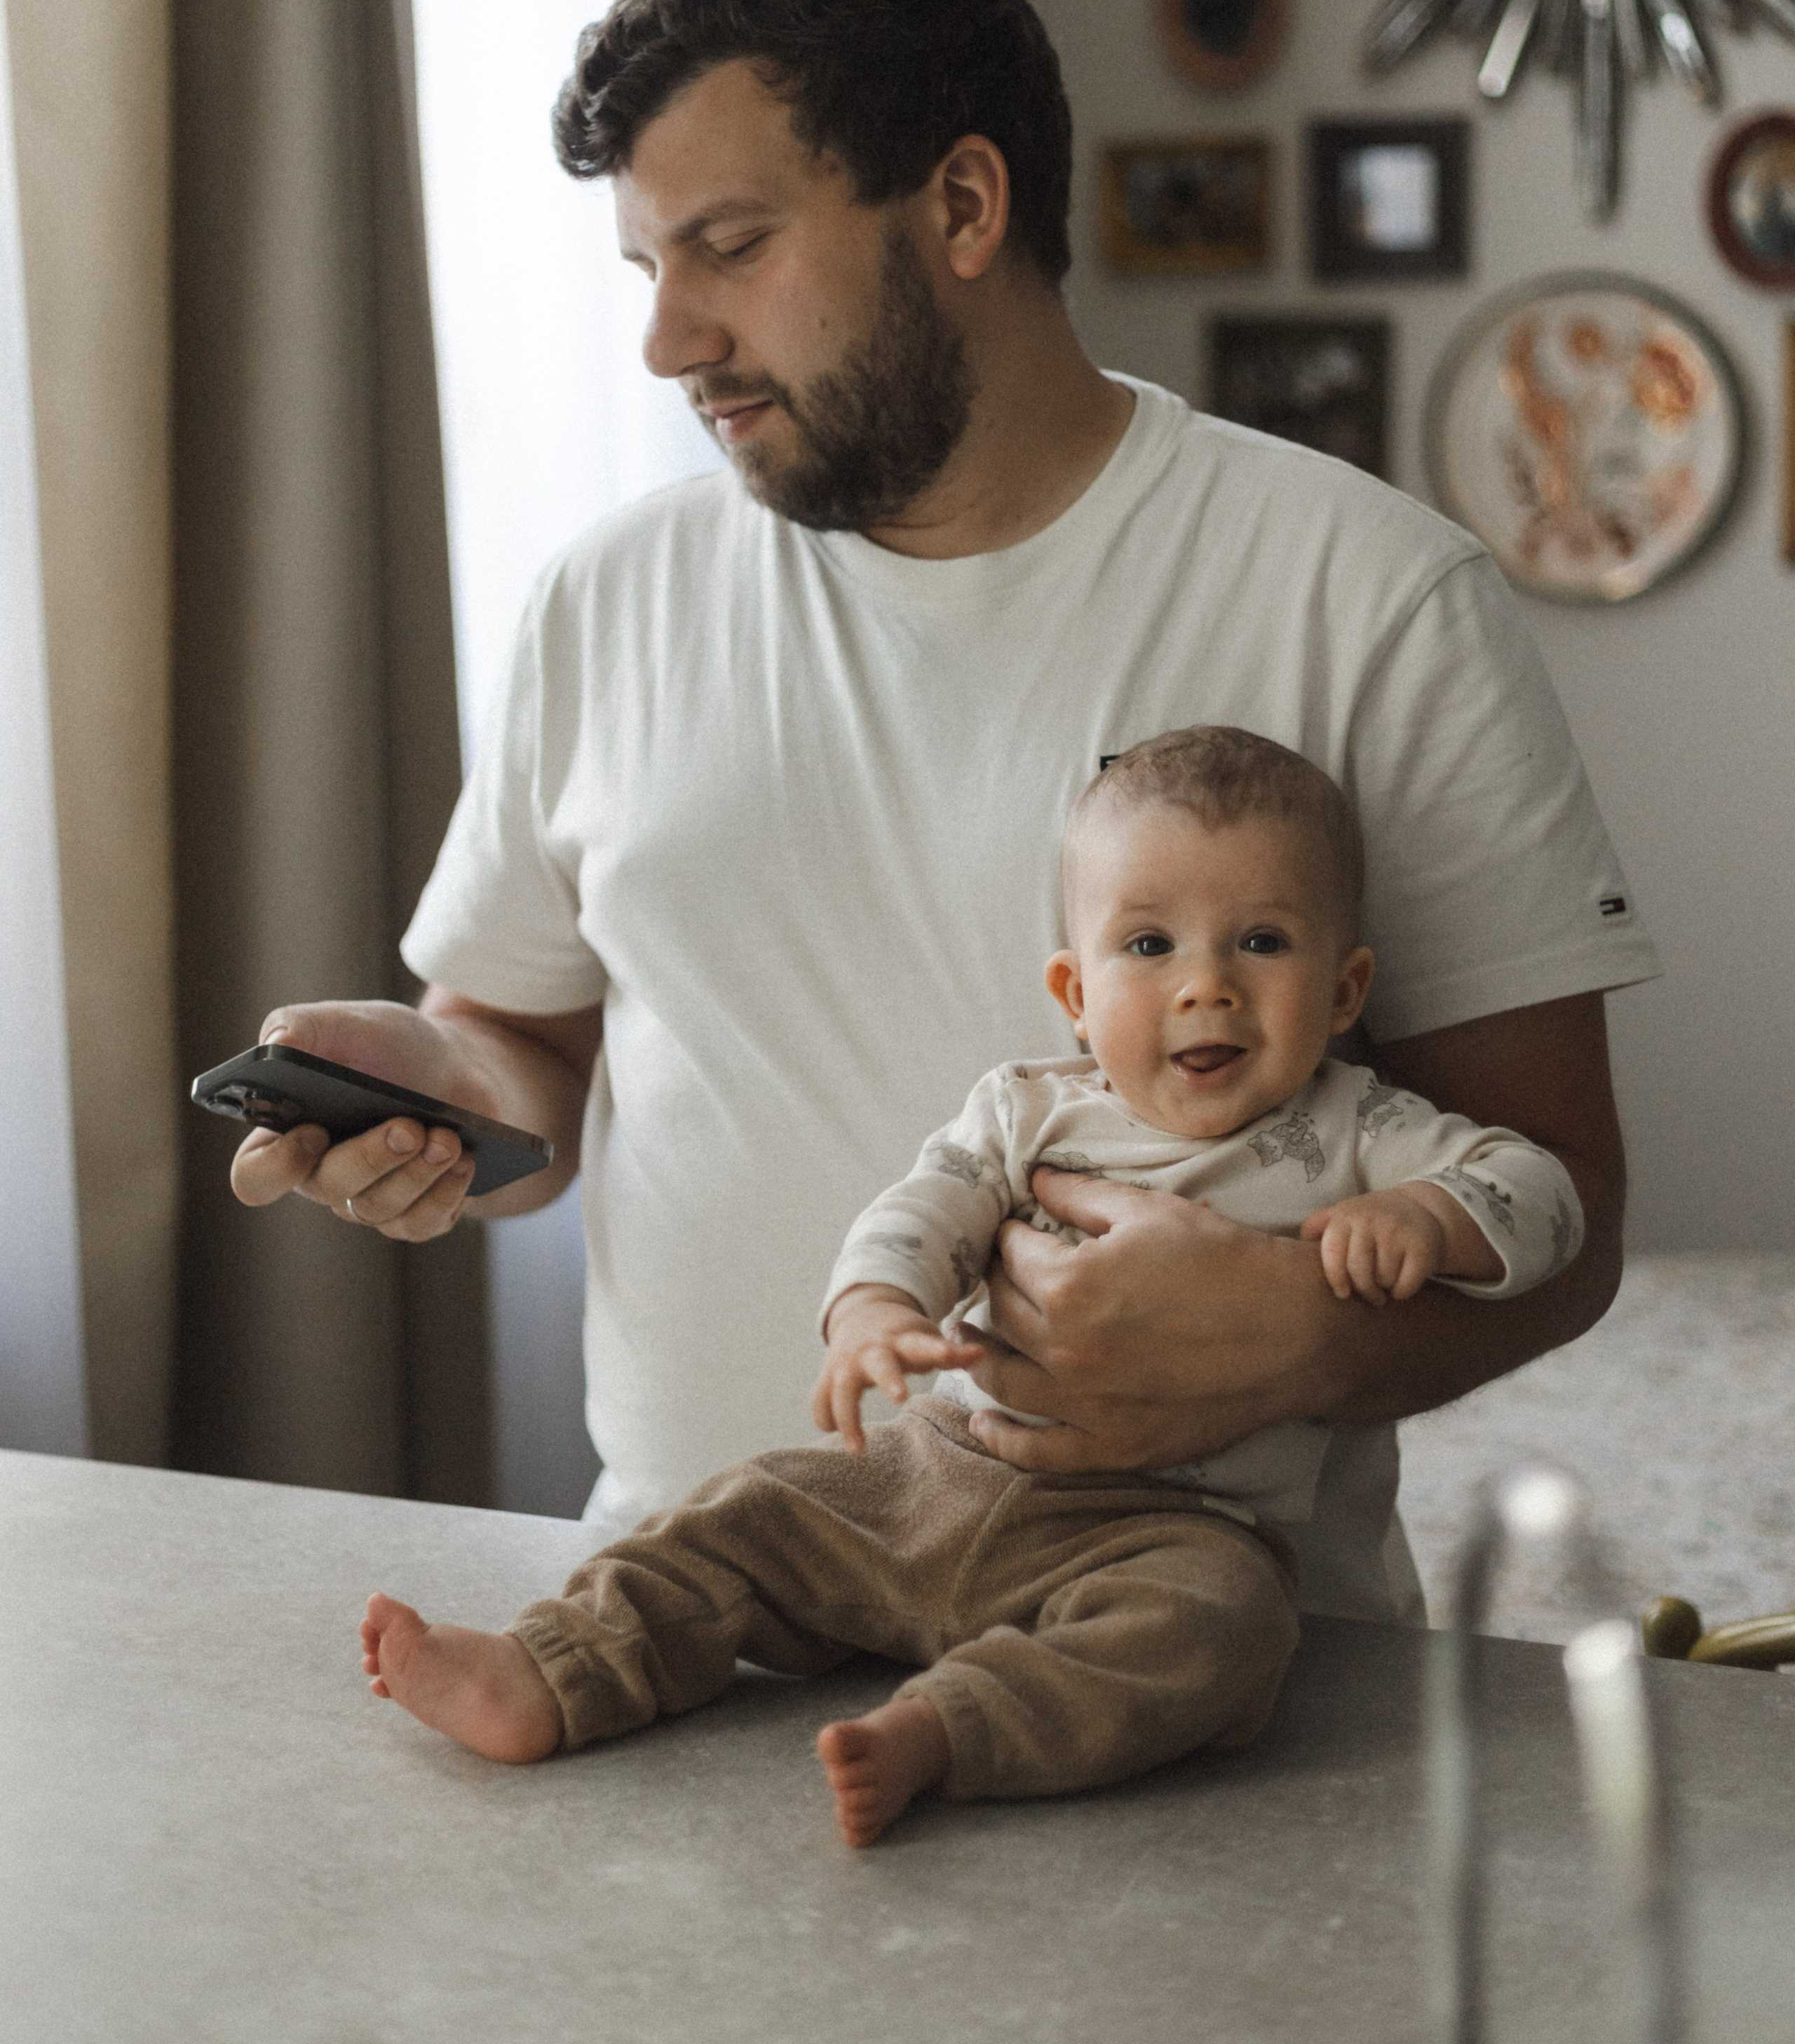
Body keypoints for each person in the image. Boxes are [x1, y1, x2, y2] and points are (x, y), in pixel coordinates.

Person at [231, 0, 1658, 1623]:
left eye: (729, 247)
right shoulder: (604, 600)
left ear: (963, 205)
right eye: (646, 267)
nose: (667, 340)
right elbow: (525, 1041)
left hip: (1199, 1686)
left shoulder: (1369, 594)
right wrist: (440, 1098)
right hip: (686, 1632)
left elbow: (1558, 1195)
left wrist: (1296, 1342)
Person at [355, 729, 1583, 1846]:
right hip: (935, 1477)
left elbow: (1544, 1191)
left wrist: (1430, 1214)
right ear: (1075, 991)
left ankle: (952, 1730)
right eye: (1149, 946)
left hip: (1174, 1530)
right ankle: (554, 1672)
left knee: (1226, 1636)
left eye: (1261, 942)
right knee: (745, 1509)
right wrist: (873, 1312)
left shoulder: (1363, 1128)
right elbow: (921, 1215)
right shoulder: (1025, 1107)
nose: (1207, 986)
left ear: (1348, 988)